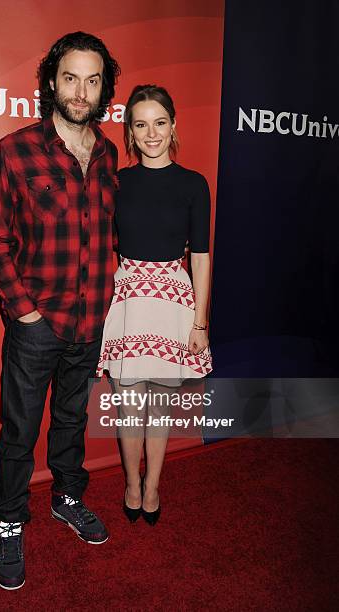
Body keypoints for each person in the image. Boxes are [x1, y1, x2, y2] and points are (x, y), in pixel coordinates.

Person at [0, 31, 120, 590]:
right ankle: (9, 521)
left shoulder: (109, 156)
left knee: (72, 421)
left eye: (93, 79)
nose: (81, 91)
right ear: (51, 82)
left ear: (104, 86)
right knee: (19, 430)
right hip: (37, 325)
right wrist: (25, 312)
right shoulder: (14, 151)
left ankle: (67, 498)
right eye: (70, 78)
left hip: (93, 323)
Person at [97, 84, 213, 526]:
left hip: (174, 303)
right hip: (128, 303)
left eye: (159, 123)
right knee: (128, 405)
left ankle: (153, 485)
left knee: (160, 405)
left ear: (173, 126)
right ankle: (130, 482)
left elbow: (200, 257)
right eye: (141, 125)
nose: (151, 134)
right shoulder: (118, 183)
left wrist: (200, 323)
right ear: (130, 131)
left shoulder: (193, 185)